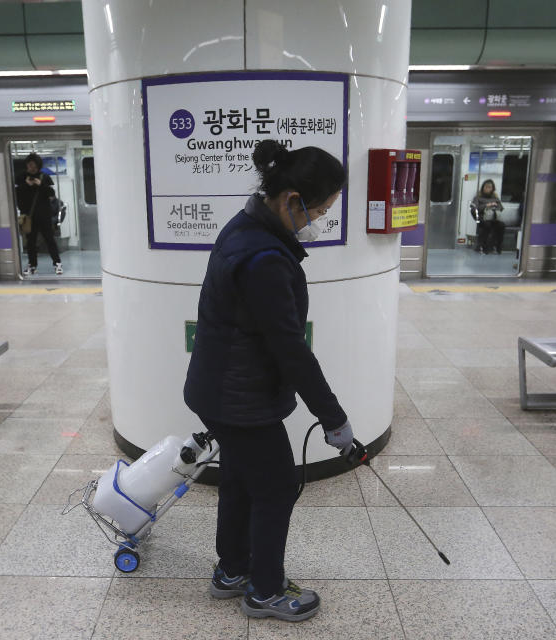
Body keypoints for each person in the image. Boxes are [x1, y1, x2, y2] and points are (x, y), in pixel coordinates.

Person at [183, 140, 352, 623]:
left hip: (218, 388)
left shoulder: (246, 228)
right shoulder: (265, 259)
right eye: (318, 209)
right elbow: (289, 348)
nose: (317, 218)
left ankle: (233, 571)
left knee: (240, 479)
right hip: (241, 397)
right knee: (277, 486)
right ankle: (264, 591)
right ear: (291, 199)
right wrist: (333, 417)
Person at [15, 153, 62, 275]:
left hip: (44, 214)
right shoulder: (21, 177)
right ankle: (32, 265)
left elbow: (51, 194)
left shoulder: (44, 177)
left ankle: (57, 263)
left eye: (34, 166)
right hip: (29, 216)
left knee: (49, 239)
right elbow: (16, 194)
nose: (31, 168)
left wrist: (41, 185)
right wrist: (26, 185)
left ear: (38, 166)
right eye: (29, 165)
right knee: (31, 241)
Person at [470, 179, 505, 254]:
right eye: (486, 187)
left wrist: (495, 206)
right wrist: (486, 205)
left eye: (490, 187)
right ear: (483, 188)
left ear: (492, 189)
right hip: (481, 218)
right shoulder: (478, 198)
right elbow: (474, 209)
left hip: (494, 218)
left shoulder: (495, 198)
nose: (488, 189)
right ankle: (484, 246)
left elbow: (501, 208)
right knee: (487, 225)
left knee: (501, 226)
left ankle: (498, 246)